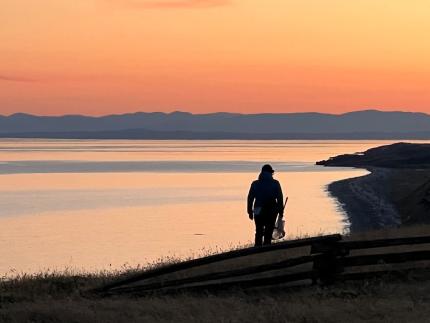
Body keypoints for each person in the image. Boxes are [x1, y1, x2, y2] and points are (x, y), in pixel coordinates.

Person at [247, 164, 284, 246]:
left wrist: (249, 211)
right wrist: (281, 211)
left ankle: (257, 250)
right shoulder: (275, 183)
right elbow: (280, 198)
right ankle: (266, 249)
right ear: (271, 173)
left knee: (259, 231)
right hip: (271, 211)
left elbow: (250, 198)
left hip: (258, 210)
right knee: (268, 232)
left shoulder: (255, 184)